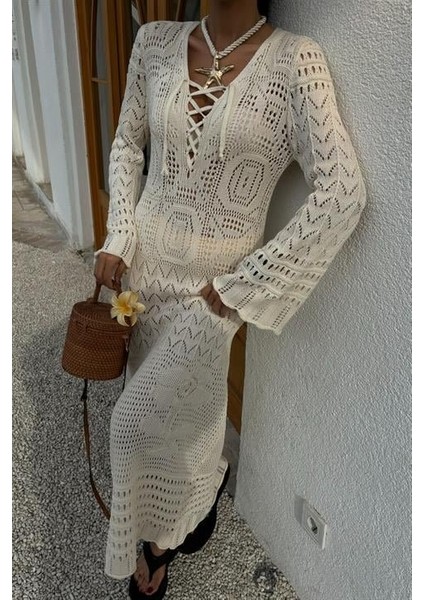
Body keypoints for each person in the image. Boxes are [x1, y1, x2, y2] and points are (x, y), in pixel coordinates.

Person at [94, 0, 367, 598]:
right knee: (178, 422)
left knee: (129, 424)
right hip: (143, 278)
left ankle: (160, 539)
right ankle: (181, 514)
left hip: (210, 297)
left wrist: (247, 283)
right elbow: (128, 144)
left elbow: (343, 191)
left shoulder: (296, 63)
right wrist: (119, 234)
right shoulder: (154, 42)